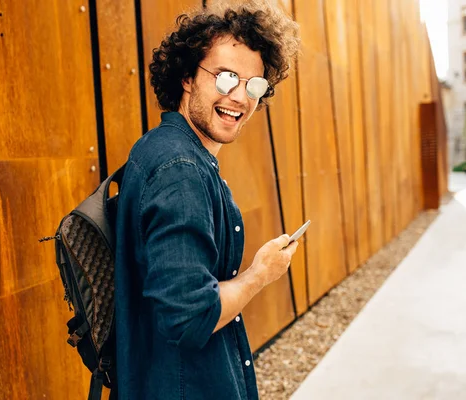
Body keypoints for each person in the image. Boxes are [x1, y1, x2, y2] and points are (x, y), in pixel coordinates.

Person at [114, 1, 300, 399]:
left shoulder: (162, 149)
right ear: (186, 77)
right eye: (225, 77)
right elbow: (189, 316)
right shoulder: (180, 170)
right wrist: (258, 275)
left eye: (253, 85)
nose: (239, 97)